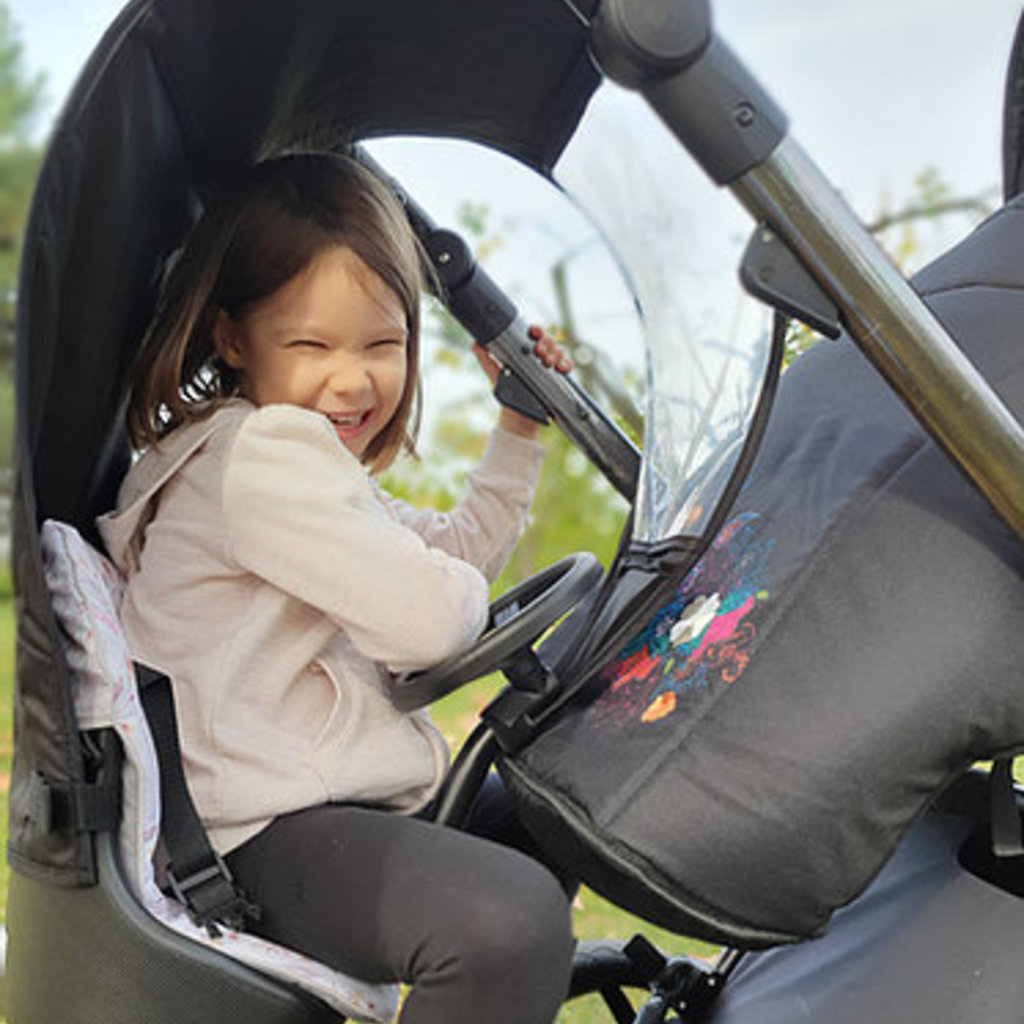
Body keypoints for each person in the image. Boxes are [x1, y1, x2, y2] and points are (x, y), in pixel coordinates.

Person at [97, 151, 576, 1024]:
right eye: (310, 344)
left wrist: (517, 429)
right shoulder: (263, 462)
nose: (352, 379)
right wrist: (440, 598)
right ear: (232, 337)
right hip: (256, 837)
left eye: (381, 345)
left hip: (306, 804)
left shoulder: (283, 462)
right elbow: (434, 619)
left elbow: (452, 561)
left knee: (569, 819)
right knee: (508, 928)